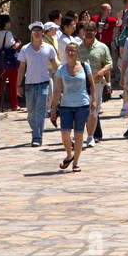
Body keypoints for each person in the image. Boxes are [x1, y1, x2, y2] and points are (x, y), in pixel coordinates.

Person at [49, 41, 95, 172]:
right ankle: (69, 154)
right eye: (68, 50)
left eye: (73, 50)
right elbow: (57, 90)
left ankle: (76, 163)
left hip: (82, 104)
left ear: (77, 52)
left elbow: (91, 84)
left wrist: (94, 100)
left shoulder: (85, 66)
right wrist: (53, 108)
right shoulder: (61, 70)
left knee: (79, 134)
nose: (70, 52)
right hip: (66, 105)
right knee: (65, 133)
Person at [18, 22, 57, 147]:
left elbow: (55, 65)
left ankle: (37, 137)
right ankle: (36, 131)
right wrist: (19, 85)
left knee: (40, 111)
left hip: (44, 84)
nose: (37, 33)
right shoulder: (25, 49)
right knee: (31, 114)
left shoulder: (49, 48)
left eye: (39, 30)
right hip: (29, 84)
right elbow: (21, 68)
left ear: (42, 33)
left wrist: (61, 80)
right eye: (34, 31)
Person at [78, 22, 113, 147]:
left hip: (97, 83)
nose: (88, 32)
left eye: (91, 30)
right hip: (81, 84)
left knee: (93, 111)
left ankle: (91, 136)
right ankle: (78, 135)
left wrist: (102, 72)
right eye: (86, 29)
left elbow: (109, 63)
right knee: (81, 111)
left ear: (95, 32)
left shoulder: (102, 47)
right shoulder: (77, 47)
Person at [0, 14, 22, 112]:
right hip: (10, 61)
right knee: (13, 83)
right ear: (6, 23)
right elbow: (13, 46)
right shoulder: (8, 34)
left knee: (1, 83)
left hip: (1, 61)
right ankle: (14, 104)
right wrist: (18, 43)